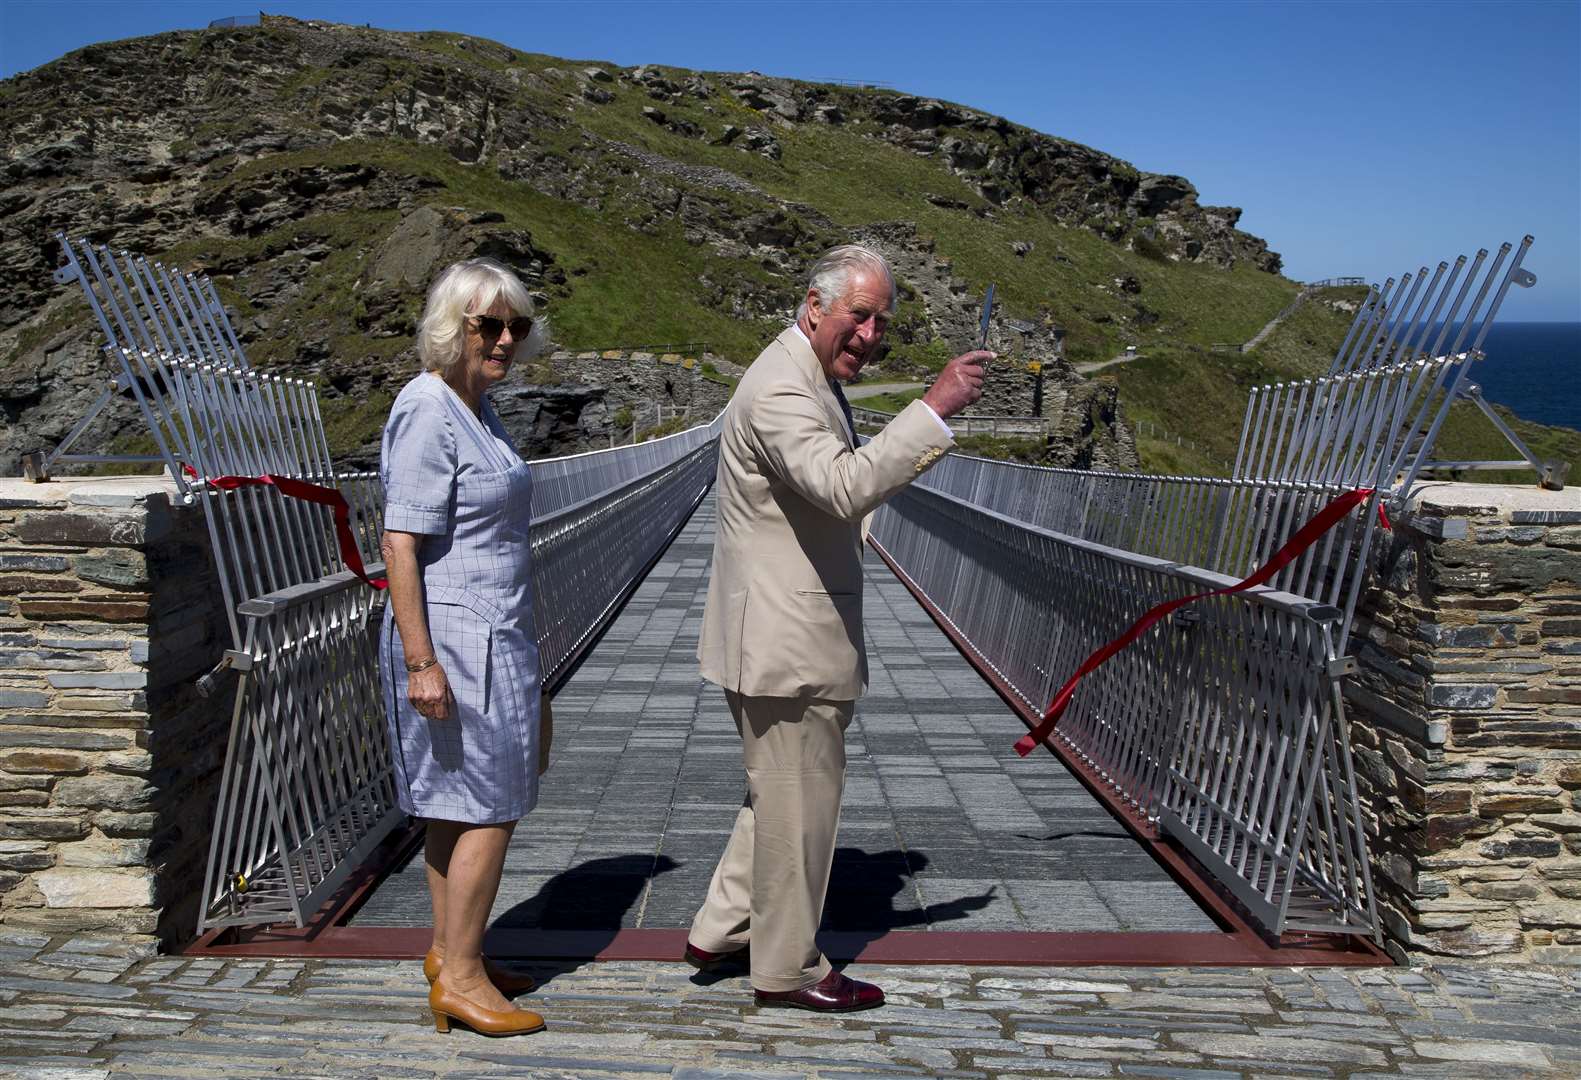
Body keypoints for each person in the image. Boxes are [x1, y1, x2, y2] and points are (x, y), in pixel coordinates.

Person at [687, 244, 990, 1011]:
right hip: (787, 639)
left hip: (781, 629)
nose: (870, 335)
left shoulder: (797, 371)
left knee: (779, 792)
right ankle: (787, 969)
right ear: (815, 305)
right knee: (801, 802)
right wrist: (935, 408)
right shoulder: (781, 389)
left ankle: (722, 927)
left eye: (881, 322)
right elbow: (842, 485)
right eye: (860, 316)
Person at [378, 257, 551, 1037]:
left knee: (455, 810)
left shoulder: (476, 408)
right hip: (457, 638)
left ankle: (454, 955)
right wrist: (421, 663)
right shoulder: (428, 407)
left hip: (493, 631)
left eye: (515, 325)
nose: (506, 338)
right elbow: (399, 543)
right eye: (489, 324)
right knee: (490, 808)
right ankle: (465, 977)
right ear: (453, 328)